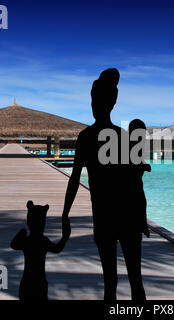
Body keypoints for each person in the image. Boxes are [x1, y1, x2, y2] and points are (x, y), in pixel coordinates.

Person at [62, 68, 148, 300]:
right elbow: (135, 182)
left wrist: (65, 214)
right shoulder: (121, 136)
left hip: (106, 216)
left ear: (104, 102)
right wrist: (141, 218)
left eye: (95, 99)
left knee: (113, 282)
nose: (93, 104)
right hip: (125, 215)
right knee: (133, 281)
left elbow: (74, 178)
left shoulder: (87, 137)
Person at [11, 200, 71, 300]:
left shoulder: (27, 240)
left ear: (29, 222)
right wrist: (64, 238)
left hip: (27, 281)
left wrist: (21, 233)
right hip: (40, 281)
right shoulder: (43, 241)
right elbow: (57, 249)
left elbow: (13, 245)